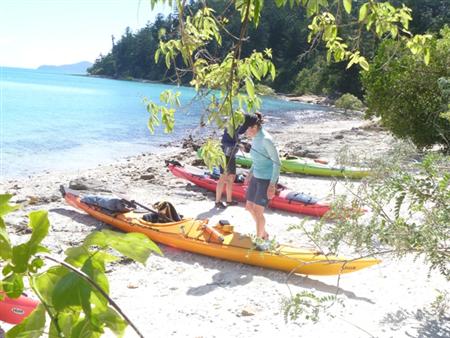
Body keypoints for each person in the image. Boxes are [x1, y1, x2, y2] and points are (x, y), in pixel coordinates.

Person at [244, 112, 281, 250]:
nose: (245, 131)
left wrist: (272, 185)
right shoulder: (255, 137)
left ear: (254, 126)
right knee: (249, 207)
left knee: (258, 212)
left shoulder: (266, 139)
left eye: (246, 128)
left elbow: (277, 163)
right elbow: (257, 158)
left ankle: (259, 241)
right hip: (256, 176)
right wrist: (250, 173)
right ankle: (264, 234)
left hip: (267, 179)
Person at [215, 114, 252, 209]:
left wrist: (241, 144)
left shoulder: (238, 127)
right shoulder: (230, 127)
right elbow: (224, 142)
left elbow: (238, 136)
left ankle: (229, 200)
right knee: (222, 178)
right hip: (225, 155)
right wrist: (238, 145)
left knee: (231, 177)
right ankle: (217, 201)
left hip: (232, 156)